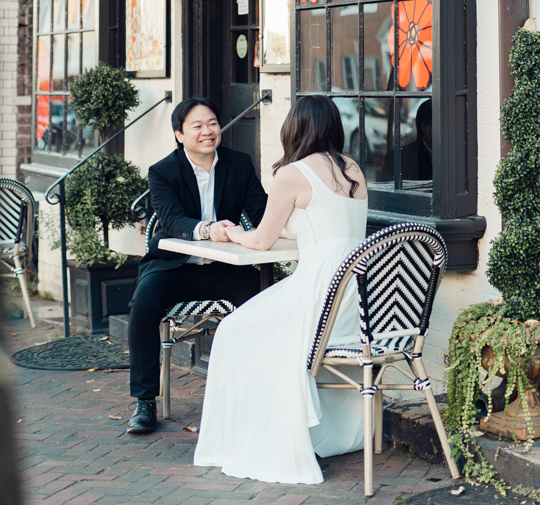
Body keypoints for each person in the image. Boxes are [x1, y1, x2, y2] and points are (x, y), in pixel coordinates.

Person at [194, 95, 368, 485]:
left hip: (318, 293)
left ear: (293, 128)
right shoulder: (353, 169)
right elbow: (323, 224)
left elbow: (261, 241)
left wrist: (236, 232)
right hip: (354, 298)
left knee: (232, 330)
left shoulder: (292, 173)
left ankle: (244, 435)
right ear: (333, 127)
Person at [126, 96, 267, 435]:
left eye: (213, 123)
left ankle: (258, 393)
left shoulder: (240, 163)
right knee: (143, 304)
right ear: (179, 134)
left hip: (226, 269)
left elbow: (262, 212)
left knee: (265, 303)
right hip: (176, 268)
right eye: (198, 126)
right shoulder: (163, 171)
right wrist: (208, 230)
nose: (208, 132)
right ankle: (145, 402)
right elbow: (172, 220)